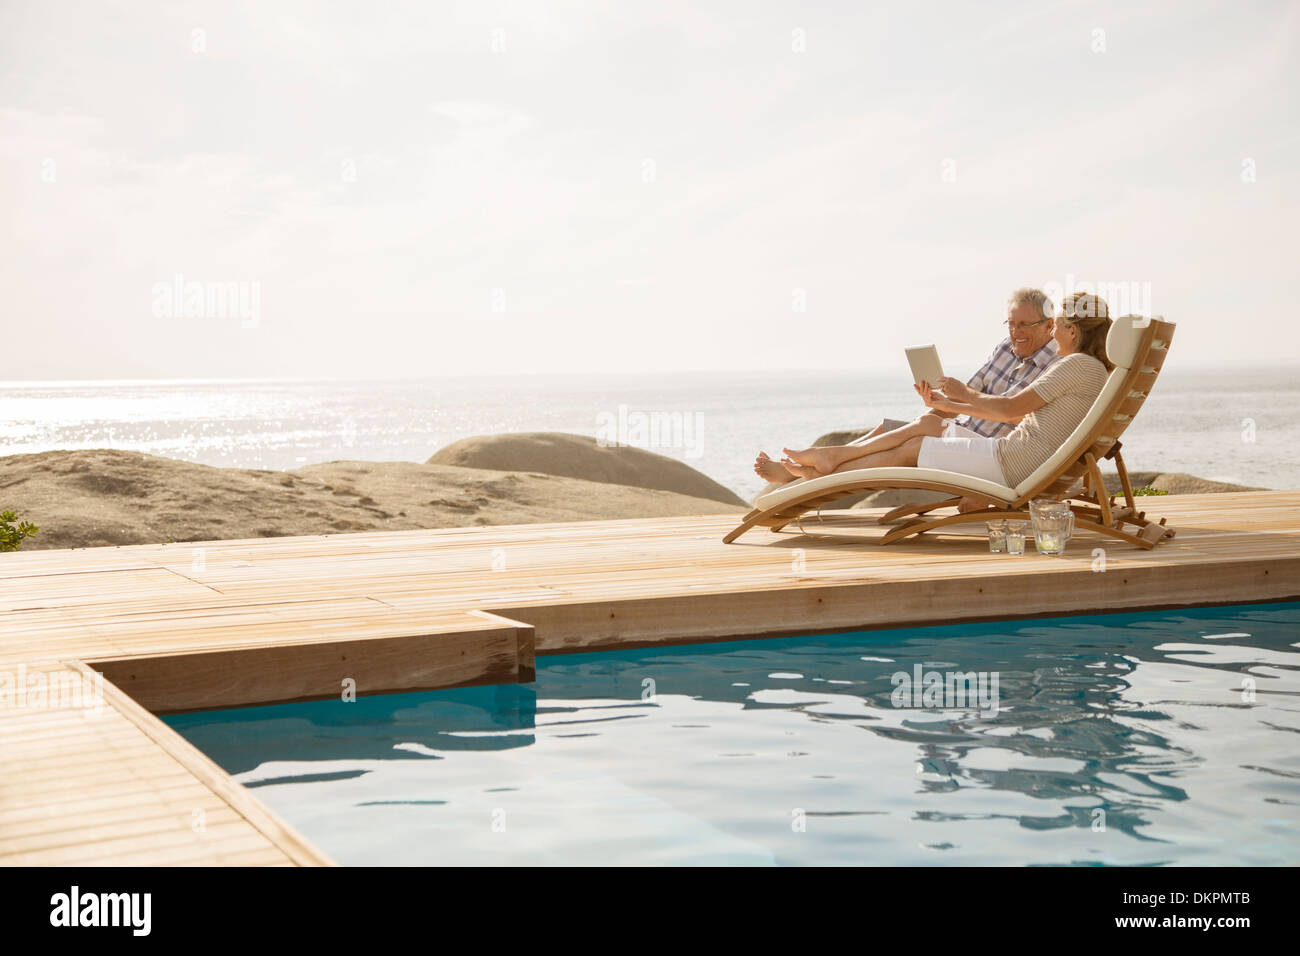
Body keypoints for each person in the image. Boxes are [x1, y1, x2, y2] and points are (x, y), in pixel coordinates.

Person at [773, 293, 1113, 492]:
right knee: (920, 436)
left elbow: (1011, 411)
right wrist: (950, 402)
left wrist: (963, 393)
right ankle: (827, 467)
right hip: (1012, 456)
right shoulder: (1089, 367)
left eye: (1056, 326)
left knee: (915, 446)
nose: (1052, 332)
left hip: (1014, 464)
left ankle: (824, 475)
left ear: (1072, 330)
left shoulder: (1078, 365)